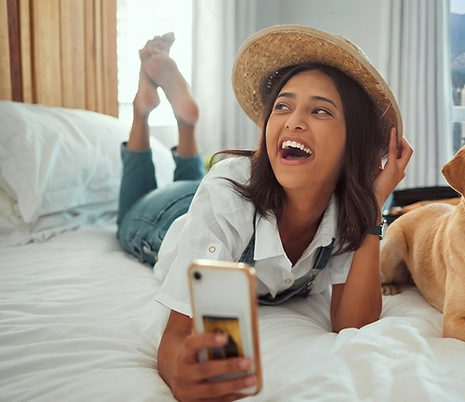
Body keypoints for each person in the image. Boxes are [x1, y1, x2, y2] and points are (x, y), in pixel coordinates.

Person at [115, 26, 412, 402]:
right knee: (128, 213)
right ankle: (143, 115)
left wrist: (374, 205)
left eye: (319, 110)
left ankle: (186, 126)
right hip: (163, 219)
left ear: (352, 143)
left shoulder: (347, 209)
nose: (293, 120)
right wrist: (182, 374)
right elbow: (177, 335)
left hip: (215, 197)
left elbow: (352, 322)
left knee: (198, 186)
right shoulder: (226, 193)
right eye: (283, 106)